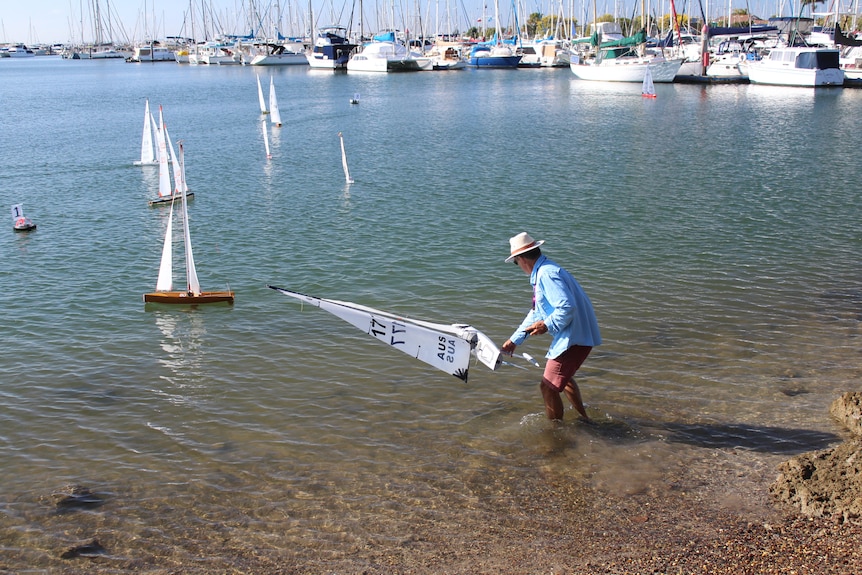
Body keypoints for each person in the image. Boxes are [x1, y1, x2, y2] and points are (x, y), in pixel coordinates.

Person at [501, 232, 601, 421]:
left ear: (521, 259)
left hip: (574, 339)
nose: (518, 266)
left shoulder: (547, 275)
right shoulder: (546, 270)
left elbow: (566, 307)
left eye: (515, 262)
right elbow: (537, 312)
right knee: (563, 379)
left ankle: (556, 433)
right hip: (579, 335)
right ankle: (585, 419)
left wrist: (547, 325)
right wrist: (516, 339)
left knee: (547, 386)